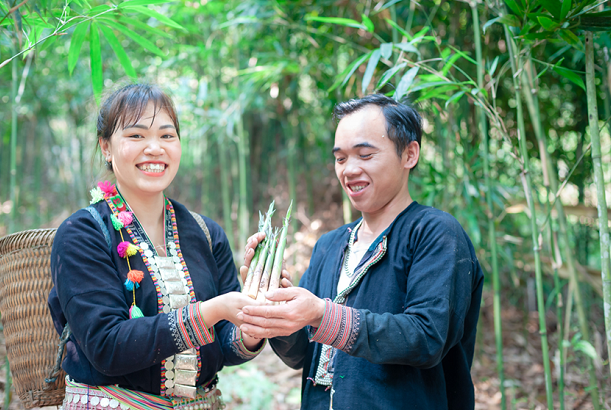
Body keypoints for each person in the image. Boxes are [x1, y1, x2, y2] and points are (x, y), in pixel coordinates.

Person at [238, 94, 484, 410]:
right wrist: (275, 307)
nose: (349, 169)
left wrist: (321, 314)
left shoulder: (436, 233)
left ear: (409, 154)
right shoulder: (329, 245)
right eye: (340, 159)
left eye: (365, 155)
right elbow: (301, 354)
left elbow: (426, 338)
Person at [48, 83, 265, 410]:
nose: (154, 148)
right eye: (136, 136)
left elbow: (223, 345)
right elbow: (107, 348)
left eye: (166, 136)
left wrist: (252, 322)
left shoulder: (206, 233)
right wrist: (213, 310)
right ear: (106, 147)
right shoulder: (82, 234)